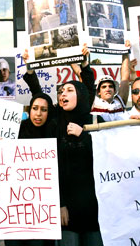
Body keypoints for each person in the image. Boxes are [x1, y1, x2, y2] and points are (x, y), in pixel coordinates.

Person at [56, 81, 104, 246]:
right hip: (67, 211)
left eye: (69, 90)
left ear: (81, 95)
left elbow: (106, 155)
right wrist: (61, 203)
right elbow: (57, 168)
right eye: (62, 91)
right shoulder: (57, 124)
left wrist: (83, 135)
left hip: (95, 210)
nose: (63, 94)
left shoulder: (97, 120)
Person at [6, 93, 56, 246]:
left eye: (44, 110)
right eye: (35, 108)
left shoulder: (54, 133)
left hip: (42, 210)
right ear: (29, 110)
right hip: (14, 207)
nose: (38, 114)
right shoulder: (15, 131)